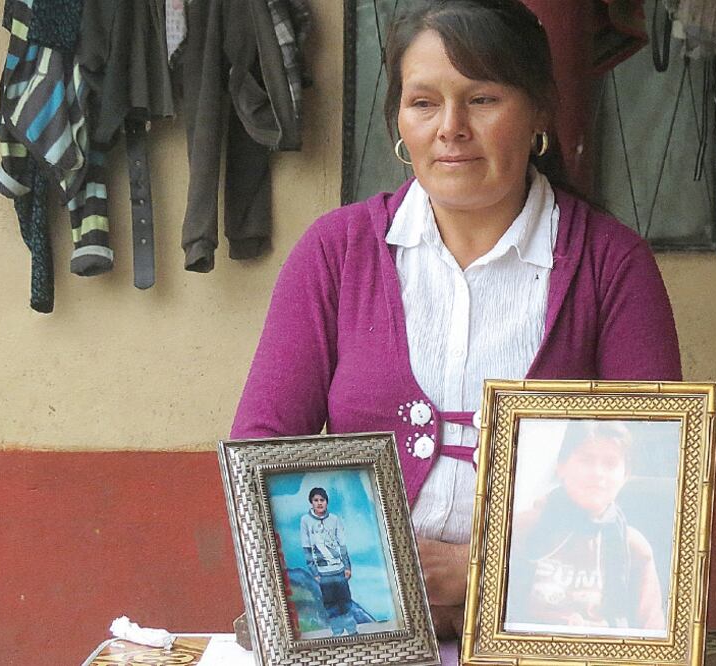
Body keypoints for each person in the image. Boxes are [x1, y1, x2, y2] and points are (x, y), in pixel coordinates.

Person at [231, 0, 681, 644]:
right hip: (363, 637)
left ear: (540, 112)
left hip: (546, 636)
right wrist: (377, 579)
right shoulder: (336, 254)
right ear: (398, 120)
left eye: (483, 99)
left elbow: (652, 493)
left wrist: (484, 572)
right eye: (423, 103)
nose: (451, 128)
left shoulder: (613, 268)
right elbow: (263, 456)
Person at [505, 422, 666, 634]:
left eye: (610, 463)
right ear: (561, 466)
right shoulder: (521, 529)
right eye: (586, 460)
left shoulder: (634, 548)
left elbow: (651, 633)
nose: (598, 473)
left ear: (625, 475)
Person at [300, 487, 358, 636]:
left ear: (326, 502)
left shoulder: (334, 519)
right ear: (311, 502)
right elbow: (306, 548)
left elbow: (342, 545)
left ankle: (352, 630)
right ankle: (337, 631)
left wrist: (347, 566)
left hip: (339, 570)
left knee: (345, 601)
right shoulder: (305, 521)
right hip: (323, 573)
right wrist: (314, 572)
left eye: (322, 500)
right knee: (330, 604)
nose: (319, 503)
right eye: (316, 500)